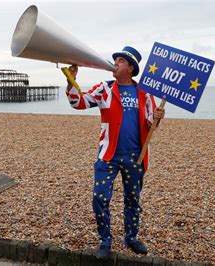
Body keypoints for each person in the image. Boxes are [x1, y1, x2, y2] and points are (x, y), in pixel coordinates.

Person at [65, 46, 165, 259]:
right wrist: (70, 81)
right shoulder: (105, 88)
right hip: (108, 155)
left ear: (130, 67)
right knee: (99, 197)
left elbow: (150, 124)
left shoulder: (144, 93)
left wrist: (157, 116)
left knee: (132, 200)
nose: (115, 63)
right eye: (116, 59)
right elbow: (78, 102)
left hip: (135, 157)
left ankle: (131, 237)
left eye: (120, 60)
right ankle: (105, 239)